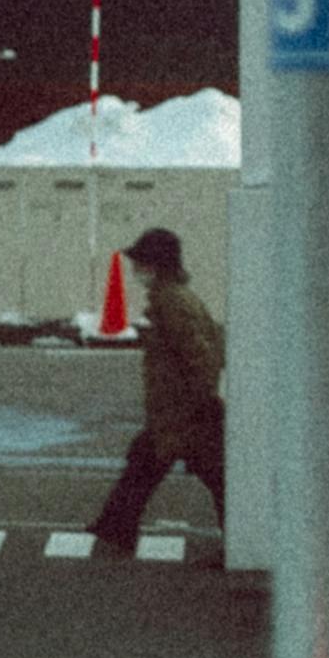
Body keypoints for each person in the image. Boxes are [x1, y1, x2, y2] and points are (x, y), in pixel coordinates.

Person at [86, 227, 226, 554]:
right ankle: (116, 526)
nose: (136, 270)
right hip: (180, 411)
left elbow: (200, 355)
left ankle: (241, 544)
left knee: (216, 478)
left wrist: (200, 401)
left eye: (141, 263)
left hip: (186, 413)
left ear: (156, 265)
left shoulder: (171, 302)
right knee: (144, 462)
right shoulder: (173, 297)